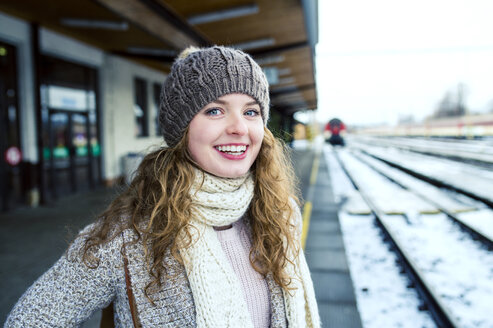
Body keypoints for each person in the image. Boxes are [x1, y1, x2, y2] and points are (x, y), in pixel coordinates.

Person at [5, 46, 320, 327]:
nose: (239, 127)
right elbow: (31, 319)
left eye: (251, 111)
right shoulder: (129, 235)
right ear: (181, 130)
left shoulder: (280, 213)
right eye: (215, 110)